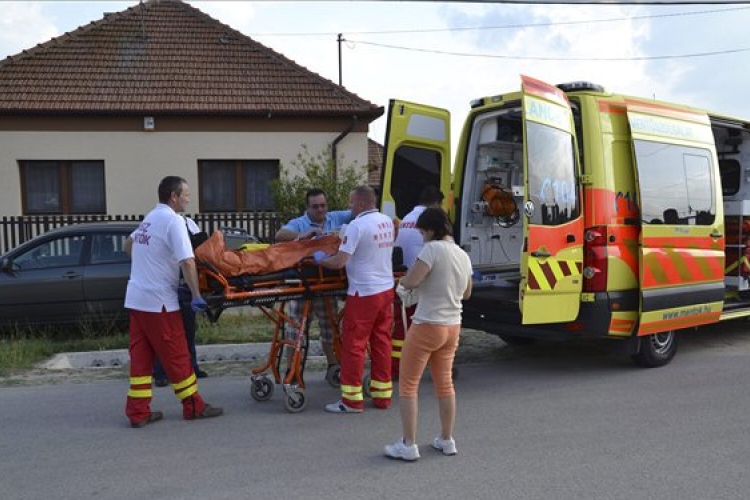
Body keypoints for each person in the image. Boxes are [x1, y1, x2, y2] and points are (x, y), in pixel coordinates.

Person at [124, 176, 223, 428]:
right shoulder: (174, 221)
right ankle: (193, 405)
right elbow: (187, 261)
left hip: (136, 299)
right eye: (186, 194)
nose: (189, 198)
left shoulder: (150, 218)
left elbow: (128, 245)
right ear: (174, 196)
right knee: (177, 353)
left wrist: (148, 264)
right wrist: (197, 296)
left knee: (141, 357)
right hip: (160, 303)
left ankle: (138, 411)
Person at [384, 208, 472, 461]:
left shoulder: (432, 250)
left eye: (422, 232)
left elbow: (411, 281)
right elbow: (466, 293)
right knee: (445, 383)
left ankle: (408, 444)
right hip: (452, 325)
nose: (421, 237)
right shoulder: (462, 254)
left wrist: (402, 283)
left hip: (427, 324)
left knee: (409, 385)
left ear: (431, 230)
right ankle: (446, 439)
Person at [314, 185, 395, 413]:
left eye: (351, 203)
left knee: (354, 346)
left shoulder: (357, 226)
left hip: (363, 293)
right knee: (381, 342)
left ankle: (351, 400)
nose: (349, 207)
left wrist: (320, 260)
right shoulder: (385, 221)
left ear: (360, 204)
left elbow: (340, 261)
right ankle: (382, 397)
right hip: (385, 290)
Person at [274, 188, 352, 378]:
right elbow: (279, 235)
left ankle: (333, 365)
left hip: (327, 282)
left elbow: (359, 212)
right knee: (295, 330)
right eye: (315, 206)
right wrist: (303, 235)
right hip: (303, 284)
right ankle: (291, 370)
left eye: (323, 205)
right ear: (307, 208)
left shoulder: (335, 218)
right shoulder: (299, 223)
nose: (320, 209)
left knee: (331, 328)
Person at [391, 185, 444, 379]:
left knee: (402, 328)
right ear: (437, 203)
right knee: (427, 327)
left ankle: (397, 367)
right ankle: (426, 366)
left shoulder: (406, 218)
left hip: (403, 277)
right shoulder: (429, 222)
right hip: (419, 280)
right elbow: (435, 251)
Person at [154, 215, 208, 387]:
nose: (188, 198)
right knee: (165, 333)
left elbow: (199, 251)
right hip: (166, 286)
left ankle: (192, 367)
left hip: (184, 286)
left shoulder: (188, 223)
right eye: (185, 195)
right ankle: (161, 372)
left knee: (188, 331)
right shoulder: (159, 222)